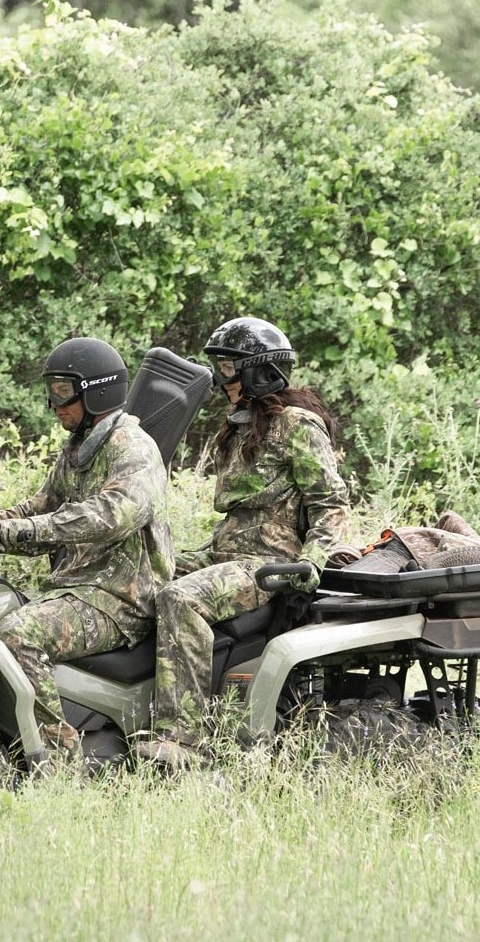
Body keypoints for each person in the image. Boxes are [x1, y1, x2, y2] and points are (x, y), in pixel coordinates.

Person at [0, 337, 172, 755]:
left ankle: (57, 758)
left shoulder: (133, 449)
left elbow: (112, 516)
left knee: (18, 631)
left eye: (63, 391)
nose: (54, 403)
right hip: (81, 591)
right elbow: (40, 509)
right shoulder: (79, 449)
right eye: (52, 391)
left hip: (121, 598)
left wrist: (24, 532)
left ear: (97, 390)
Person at [146, 317, 350, 760]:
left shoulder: (297, 424)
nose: (222, 378)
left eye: (228, 367)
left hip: (268, 564)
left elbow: (330, 503)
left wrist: (311, 562)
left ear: (259, 371)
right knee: (146, 572)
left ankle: (184, 737)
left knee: (180, 599)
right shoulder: (241, 426)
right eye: (219, 367)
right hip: (226, 553)